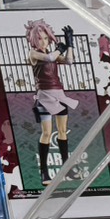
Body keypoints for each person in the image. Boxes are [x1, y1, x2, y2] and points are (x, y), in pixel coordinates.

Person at [25, 19, 77, 185]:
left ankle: (66, 169)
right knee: (47, 133)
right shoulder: (34, 54)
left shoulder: (53, 54)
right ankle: (44, 172)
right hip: (44, 96)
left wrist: (70, 44)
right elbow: (48, 58)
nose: (43, 41)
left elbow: (69, 61)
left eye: (46, 38)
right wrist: (59, 49)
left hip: (59, 95)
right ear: (33, 39)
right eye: (39, 38)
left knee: (62, 131)